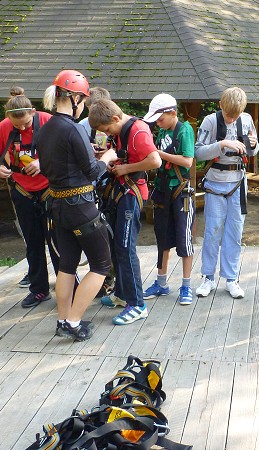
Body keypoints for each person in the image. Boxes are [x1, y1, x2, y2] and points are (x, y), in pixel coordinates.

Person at [37, 69, 117, 341]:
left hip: (58, 207)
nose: (83, 106)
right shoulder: (72, 129)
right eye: (82, 100)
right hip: (80, 206)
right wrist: (107, 157)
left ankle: (63, 319)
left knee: (67, 265)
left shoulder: (46, 127)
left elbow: (58, 164)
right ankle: (73, 321)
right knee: (101, 264)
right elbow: (94, 172)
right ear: (72, 98)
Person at [0, 87, 58, 309]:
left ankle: (66, 285)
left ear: (33, 111)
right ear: (8, 118)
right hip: (22, 190)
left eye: (26, 123)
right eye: (17, 126)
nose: (22, 128)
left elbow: (66, 148)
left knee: (56, 240)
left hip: (49, 189)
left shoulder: (48, 121)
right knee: (33, 242)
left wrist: (43, 162)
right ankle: (39, 290)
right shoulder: (4, 127)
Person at [88, 99, 162, 325]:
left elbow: (155, 161)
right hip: (119, 190)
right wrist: (113, 161)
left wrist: (125, 168)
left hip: (131, 194)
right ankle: (121, 293)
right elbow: (126, 153)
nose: (106, 133)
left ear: (115, 119)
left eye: (107, 129)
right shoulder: (121, 131)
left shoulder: (138, 130)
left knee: (125, 247)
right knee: (115, 244)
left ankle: (137, 304)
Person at [194, 87, 259, 299]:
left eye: (236, 115)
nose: (232, 119)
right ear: (221, 105)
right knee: (213, 230)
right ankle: (208, 277)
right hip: (215, 182)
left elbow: (255, 149)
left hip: (238, 182)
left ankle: (231, 278)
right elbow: (198, 151)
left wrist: (253, 145)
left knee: (235, 231)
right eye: (229, 115)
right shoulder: (210, 122)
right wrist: (222, 144)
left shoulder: (247, 119)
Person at [142, 93, 196, 306]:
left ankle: (186, 285)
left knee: (185, 241)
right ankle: (161, 282)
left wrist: (158, 153)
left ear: (172, 112)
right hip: (163, 191)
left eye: (160, 119)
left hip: (181, 192)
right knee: (162, 238)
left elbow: (187, 161)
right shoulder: (162, 131)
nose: (158, 123)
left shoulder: (185, 130)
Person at [78, 86, 115, 297]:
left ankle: (112, 277)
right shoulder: (82, 127)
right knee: (95, 237)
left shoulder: (116, 126)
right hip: (90, 189)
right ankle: (100, 278)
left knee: (112, 235)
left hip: (111, 185)